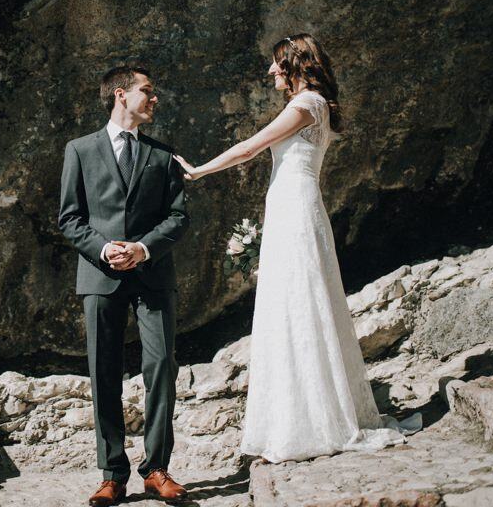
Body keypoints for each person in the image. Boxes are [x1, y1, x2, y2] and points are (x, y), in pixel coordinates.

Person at [174, 34, 411, 463]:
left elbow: (250, 147)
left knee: (301, 302)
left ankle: (313, 421)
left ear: (294, 65)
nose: (270, 72)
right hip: (289, 206)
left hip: (296, 208)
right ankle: (299, 414)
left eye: (275, 65)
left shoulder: (305, 105)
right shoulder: (311, 105)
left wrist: (198, 171)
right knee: (293, 303)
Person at [58, 65, 191, 506]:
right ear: (121, 94)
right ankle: (111, 473)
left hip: (153, 276)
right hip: (99, 277)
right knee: (104, 374)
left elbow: (178, 216)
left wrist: (143, 248)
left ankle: (156, 469)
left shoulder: (163, 154)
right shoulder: (79, 150)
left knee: (161, 370)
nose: (155, 99)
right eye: (147, 92)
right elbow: (70, 218)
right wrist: (103, 249)